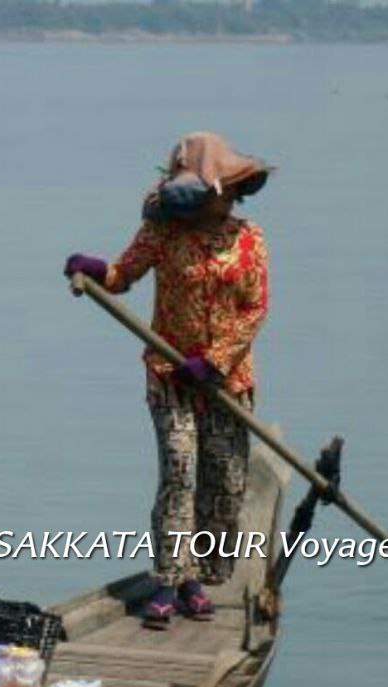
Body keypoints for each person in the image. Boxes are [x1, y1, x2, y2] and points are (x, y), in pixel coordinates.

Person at [64, 131, 272, 630]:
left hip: (227, 382)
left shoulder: (250, 239)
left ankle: (196, 578)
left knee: (224, 483)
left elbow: (255, 308)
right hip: (170, 377)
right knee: (180, 473)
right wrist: (94, 270)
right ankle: (168, 580)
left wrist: (215, 361)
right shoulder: (163, 235)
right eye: (219, 191)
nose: (226, 200)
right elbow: (121, 276)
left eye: (230, 192)